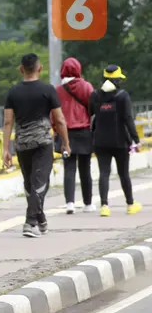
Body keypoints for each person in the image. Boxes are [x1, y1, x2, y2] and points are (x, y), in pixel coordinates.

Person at [2, 53, 70, 238]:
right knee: (39, 182)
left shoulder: (13, 92)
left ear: (21, 69)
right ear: (40, 68)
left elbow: (8, 122)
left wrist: (6, 149)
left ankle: (40, 220)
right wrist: (65, 143)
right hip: (42, 143)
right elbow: (60, 120)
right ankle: (29, 222)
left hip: (22, 143)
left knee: (31, 183)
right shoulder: (48, 90)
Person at [89, 64, 142, 217]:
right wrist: (135, 139)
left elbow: (90, 112)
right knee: (123, 173)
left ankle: (104, 206)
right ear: (118, 80)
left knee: (104, 173)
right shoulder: (123, 96)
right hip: (120, 141)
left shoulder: (95, 95)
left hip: (100, 141)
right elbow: (128, 119)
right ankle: (130, 204)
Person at [54, 57, 95, 214]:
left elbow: (54, 114)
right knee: (85, 168)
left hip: (66, 134)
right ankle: (88, 203)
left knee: (69, 168)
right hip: (84, 131)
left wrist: (56, 129)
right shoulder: (86, 86)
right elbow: (92, 106)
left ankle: (70, 203)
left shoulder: (58, 90)